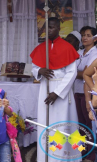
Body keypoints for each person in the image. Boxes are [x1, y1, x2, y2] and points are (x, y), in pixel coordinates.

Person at [30, 17, 80, 162]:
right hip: (44, 89)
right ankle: (44, 157)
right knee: (45, 123)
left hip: (61, 92)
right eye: (46, 27)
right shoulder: (40, 48)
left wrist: (57, 93)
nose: (49, 30)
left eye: (52, 27)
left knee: (61, 124)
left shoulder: (67, 47)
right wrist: (40, 71)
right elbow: (34, 68)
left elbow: (72, 73)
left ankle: (62, 158)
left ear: (58, 28)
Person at [73, 27, 97, 161]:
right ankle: (83, 151)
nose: (85, 38)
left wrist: (74, 73)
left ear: (95, 38)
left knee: (89, 123)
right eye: (83, 35)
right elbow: (72, 71)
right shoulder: (79, 52)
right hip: (76, 91)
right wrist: (76, 73)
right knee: (80, 124)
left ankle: (91, 154)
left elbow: (87, 74)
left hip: (88, 93)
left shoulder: (95, 53)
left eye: (88, 35)